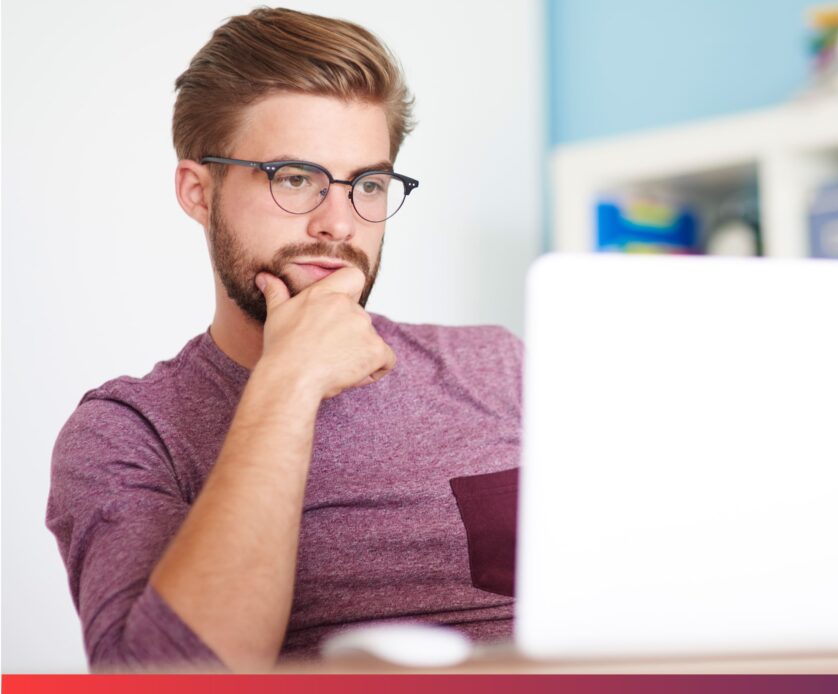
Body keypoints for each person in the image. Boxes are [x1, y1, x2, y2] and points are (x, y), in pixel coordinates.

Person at [46, 7, 522, 672]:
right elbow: (163, 680)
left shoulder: (498, 367)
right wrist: (290, 380)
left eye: (368, 184)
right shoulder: (128, 432)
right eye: (295, 179)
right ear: (198, 192)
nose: (339, 224)